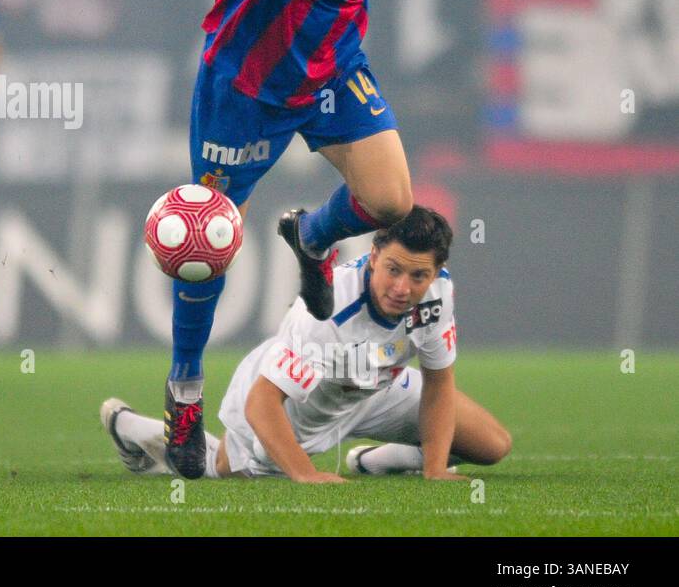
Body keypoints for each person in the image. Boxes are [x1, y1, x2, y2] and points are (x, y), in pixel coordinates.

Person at [164, 0, 445, 478]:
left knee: (391, 203)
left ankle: (311, 234)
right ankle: (186, 391)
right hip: (247, 78)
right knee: (209, 243)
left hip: (330, 69)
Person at [104, 207, 511, 482]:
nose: (403, 288)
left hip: (374, 388)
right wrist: (306, 474)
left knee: (492, 445)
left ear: (437, 271)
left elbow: (439, 383)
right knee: (220, 469)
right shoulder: (327, 315)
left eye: (418, 276)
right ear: (372, 256)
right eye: (393, 269)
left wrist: (436, 471)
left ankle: (375, 461)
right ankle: (131, 427)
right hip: (298, 401)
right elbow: (261, 402)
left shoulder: (439, 292)